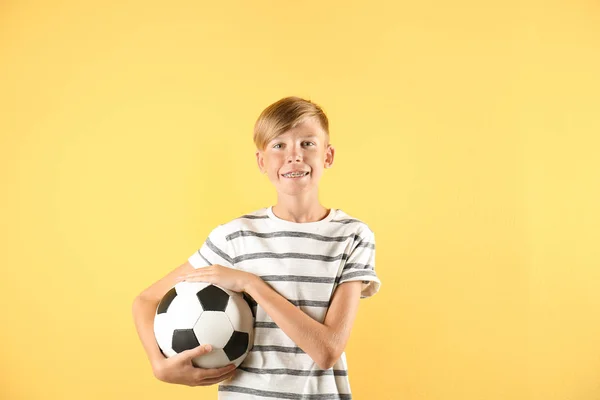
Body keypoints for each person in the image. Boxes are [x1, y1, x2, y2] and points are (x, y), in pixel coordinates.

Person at [132, 96, 381, 399]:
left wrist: (250, 283)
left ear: (327, 156)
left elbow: (327, 351)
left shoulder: (352, 236)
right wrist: (159, 366)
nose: (294, 156)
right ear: (262, 161)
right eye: (279, 145)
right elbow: (147, 300)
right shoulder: (234, 237)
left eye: (307, 143)